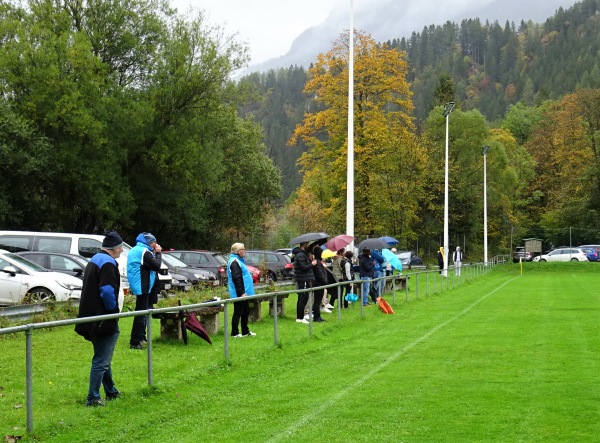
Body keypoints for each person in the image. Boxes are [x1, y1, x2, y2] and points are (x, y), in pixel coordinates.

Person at [75, 231, 124, 407]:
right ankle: (93, 398)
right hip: (103, 317)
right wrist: (113, 311)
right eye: (121, 248)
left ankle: (111, 391)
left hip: (89, 315)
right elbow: (107, 291)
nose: (121, 251)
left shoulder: (95, 259)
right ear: (117, 248)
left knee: (103, 355)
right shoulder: (109, 263)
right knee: (101, 360)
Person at [127, 232, 163, 350]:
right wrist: (158, 253)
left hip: (140, 284)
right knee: (141, 314)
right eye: (153, 243)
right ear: (148, 242)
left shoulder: (135, 249)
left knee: (144, 311)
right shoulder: (143, 252)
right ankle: (135, 341)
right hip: (143, 285)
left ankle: (141, 337)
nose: (155, 245)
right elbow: (156, 266)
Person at [227, 243, 256, 337]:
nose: (244, 251)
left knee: (245, 311)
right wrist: (241, 293)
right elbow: (237, 278)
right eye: (243, 249)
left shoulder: (239, 260)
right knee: (238, 312)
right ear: (238, 251)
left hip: (244, 291)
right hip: (239, 292)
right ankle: (234, 333)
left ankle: (245, 331)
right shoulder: (234, 262)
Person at [291, 241, 315, 324]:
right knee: (302, 298)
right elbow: (303, 267)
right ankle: (300, 317)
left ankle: (301, 317)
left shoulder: (302, 254)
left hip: (304, 278)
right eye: (307, 244)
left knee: (303, 298)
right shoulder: (300, 255)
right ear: (304, 244)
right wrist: (312, 264)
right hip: (303, 279)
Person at [310, 246, 328, 322]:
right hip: (318, 283)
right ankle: (316, 317)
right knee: (317, 301)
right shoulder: (317, 262)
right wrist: (324, 281)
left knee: (318, 300)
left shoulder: (318, 262)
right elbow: (319, 273)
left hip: (319, 283)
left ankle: (318, 315)